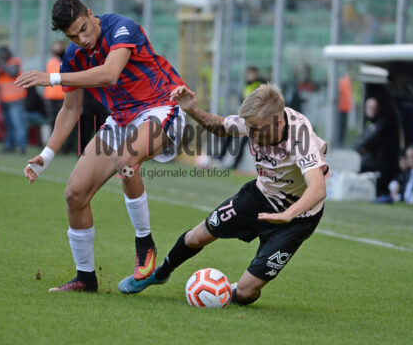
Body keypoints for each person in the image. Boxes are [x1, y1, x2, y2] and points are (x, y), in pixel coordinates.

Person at [14, 0, 187, 292]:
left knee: (126, 161)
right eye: (73, 36)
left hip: (161, 107)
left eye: (83, 28)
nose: (82, 39)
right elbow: (71, 110)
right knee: (75, 194)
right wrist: (47, 155)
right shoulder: (73, 55)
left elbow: (109, 74)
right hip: (121, 119)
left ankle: (144, 243)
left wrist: (53, 78)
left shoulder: (121, 28)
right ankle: (85, 278)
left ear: (91, 14)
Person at [118, 84, 328, 306]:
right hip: (260, 196)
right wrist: (191, 110)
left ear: (278, 123)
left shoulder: (301, 138)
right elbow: (221, 127)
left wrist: (288, 214)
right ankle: (160, 274)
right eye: (249, 128)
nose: (251, 135)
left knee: (246, 293)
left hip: (298, 218)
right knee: (195, 237)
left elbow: (318, 188)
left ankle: (227, 291)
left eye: (256, 130)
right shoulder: (255, 121)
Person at [215, 66, 267, 169]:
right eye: (249, 74)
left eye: (252, 74)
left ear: (256, 74)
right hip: (244, 118)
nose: (250, 76)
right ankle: (220, 158)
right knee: (231, 134)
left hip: (253, 121)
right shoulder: (247, 85)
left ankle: (234, 164)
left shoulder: (259, 85)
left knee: (244, 142)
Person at [354, 97, 399, 197]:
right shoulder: (368, 123)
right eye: (369, 108)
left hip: (379, 166)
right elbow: (358, 143)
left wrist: (364, 147)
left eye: (374, 108)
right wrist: (360, 147)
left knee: (376, 193)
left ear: (379, 109)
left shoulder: (383, 123)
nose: (372, 110)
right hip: (366, 164)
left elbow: (369, 141)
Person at [0, 46, 27, 153]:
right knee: (8, 124)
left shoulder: (14, 61)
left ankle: (21, 146)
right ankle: (9, 145)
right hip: (4, 99)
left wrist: (1, 63)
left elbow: (12, 73)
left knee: (18, 123)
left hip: (16, 99)